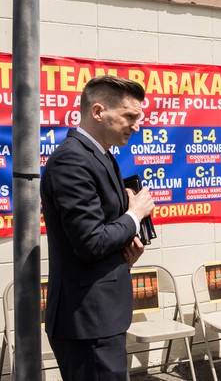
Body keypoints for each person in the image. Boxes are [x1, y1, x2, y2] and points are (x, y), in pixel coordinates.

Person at [41, 75, 155, 381]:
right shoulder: (72, 161)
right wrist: (134, 214)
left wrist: (125, 250)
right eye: (129, 117)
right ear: (98, 112)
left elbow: (101, 233)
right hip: (86, 320)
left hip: (101, 316)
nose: (137, 126)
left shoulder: (101, 156)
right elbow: (90, 242)